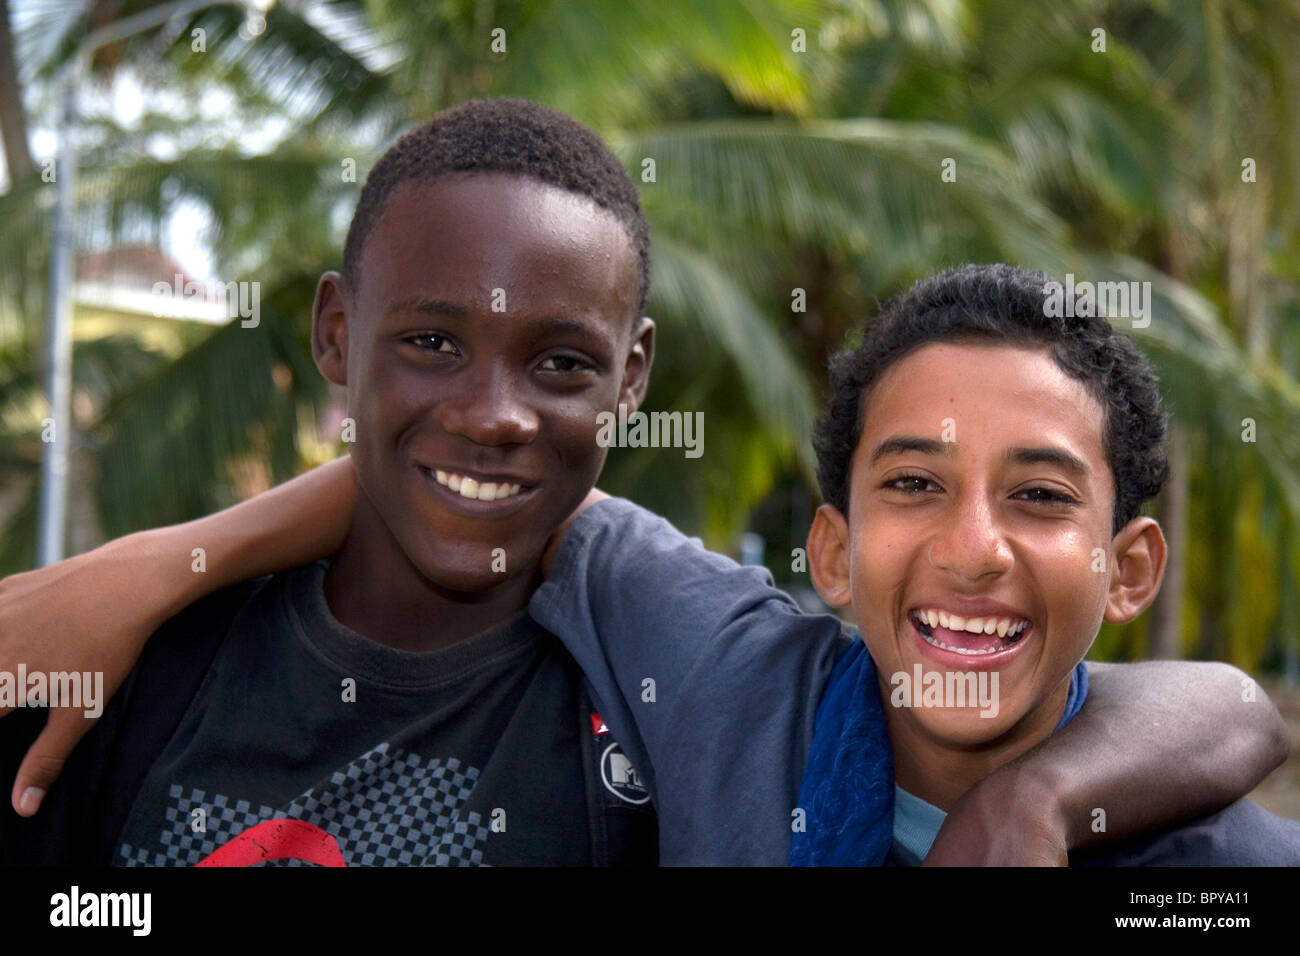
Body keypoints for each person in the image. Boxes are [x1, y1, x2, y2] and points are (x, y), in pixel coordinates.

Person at [0, 135, 1288, 865]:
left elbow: (1233, 706)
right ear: (831, 548)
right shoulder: (719, 669)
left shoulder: (1203, 864)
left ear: (1129, 568)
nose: (972, 547)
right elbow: (489, 475)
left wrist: (1036, 802)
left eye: (1040, 497)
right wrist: (147, 568)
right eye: (913, 484)